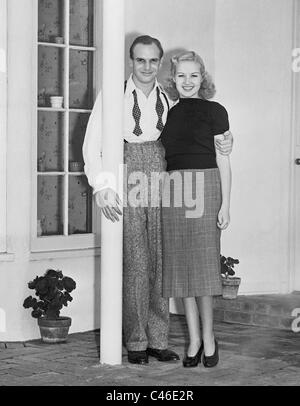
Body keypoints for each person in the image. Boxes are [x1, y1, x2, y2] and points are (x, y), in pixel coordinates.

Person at [83, 36, 233, 365]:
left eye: (153, 61)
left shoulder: (169, 98)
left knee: (162, 260)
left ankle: (158, 339)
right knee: (136, 261)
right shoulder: (114, 94)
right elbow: (92, 144)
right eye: (140, 60)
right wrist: (103, 186)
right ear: (131, 61)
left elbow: (196, 135)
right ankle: (136, 342)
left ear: (161, 63)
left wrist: (225, 141)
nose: (147, 67)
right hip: (129, 169)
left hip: (165, 174)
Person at [160, 51, 232, 368]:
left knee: (202, 268)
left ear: (202, 78)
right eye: (181, 76)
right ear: (173, 80)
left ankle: (210, 338)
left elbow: (224, 159)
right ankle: (193, 340)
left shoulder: (216, 111)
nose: (187, 81)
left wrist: (226, 204)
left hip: (207, 186)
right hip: (174, 189)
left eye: (193, 75)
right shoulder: (166, 112)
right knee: (180, 269)